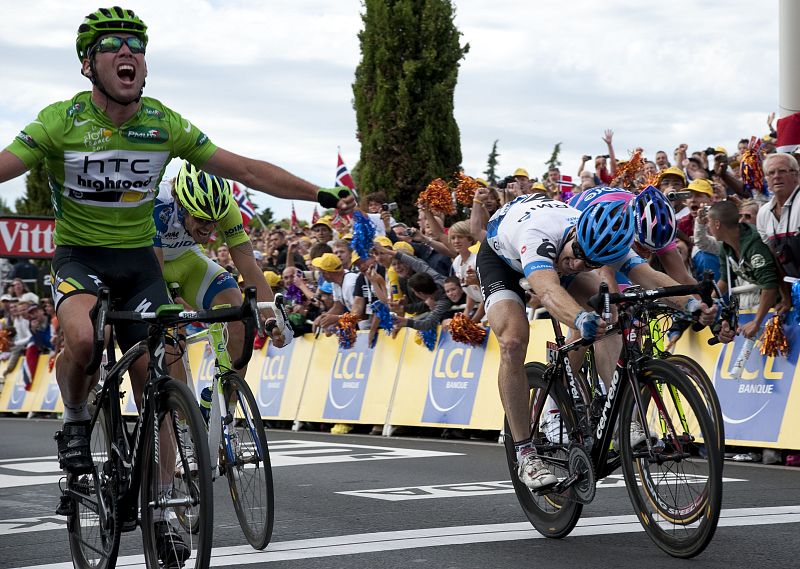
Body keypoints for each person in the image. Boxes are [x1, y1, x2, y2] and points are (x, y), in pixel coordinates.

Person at [0, 7, 355, 565]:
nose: (129, 54)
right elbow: (6, 164)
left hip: (141, 264)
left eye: (137, 46)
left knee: (161, 371)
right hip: (81, 259)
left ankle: (165, 503)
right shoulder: (58, 120)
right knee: (85, 341)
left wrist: (320, 194)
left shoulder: (163, 123)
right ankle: (74, 422)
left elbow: (244, 169)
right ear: (87, 64)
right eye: (114, 45)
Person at [477, 194, 724, 491]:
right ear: (576, 233)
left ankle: (619, 417)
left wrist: (693, 306)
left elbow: (652, 277)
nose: (578, 262)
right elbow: (548, 291)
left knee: (609, 312)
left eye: (589, 261)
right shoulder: (539, 236)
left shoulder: (605, 244)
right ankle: (526, 453)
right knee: (514, 341)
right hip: (502, 260)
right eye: (578, 252)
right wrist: (580, 320)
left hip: (554, 257)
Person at [153, 162, 289, 366]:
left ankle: (227, 395)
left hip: (189, 261)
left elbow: (249, 268)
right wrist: (173, 302)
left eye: (215, 221)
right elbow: (153, 273)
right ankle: (177, 397)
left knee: (239, 318)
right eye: (202, 219)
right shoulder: (158, 205)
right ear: (182, 205)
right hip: (153, 264)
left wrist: (273, 318)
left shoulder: (227, 208)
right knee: (172, 334)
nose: (209, 228)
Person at [706, 200, 779, 335]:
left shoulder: (755, 243)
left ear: (717, 224)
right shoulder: (725, 246)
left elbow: (770, 285)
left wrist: (756, 322)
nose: (707, 227)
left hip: (788, 299)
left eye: (708, 222)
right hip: (774, 302)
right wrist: (708, 302)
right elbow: (725, 279)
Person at [756, 153, 800, 281]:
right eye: (771, 173)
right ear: (766, 179)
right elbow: (775, 260)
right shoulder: (763, 213)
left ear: (795, 175)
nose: (776, 176)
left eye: (782, 171)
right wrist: (786, 298)